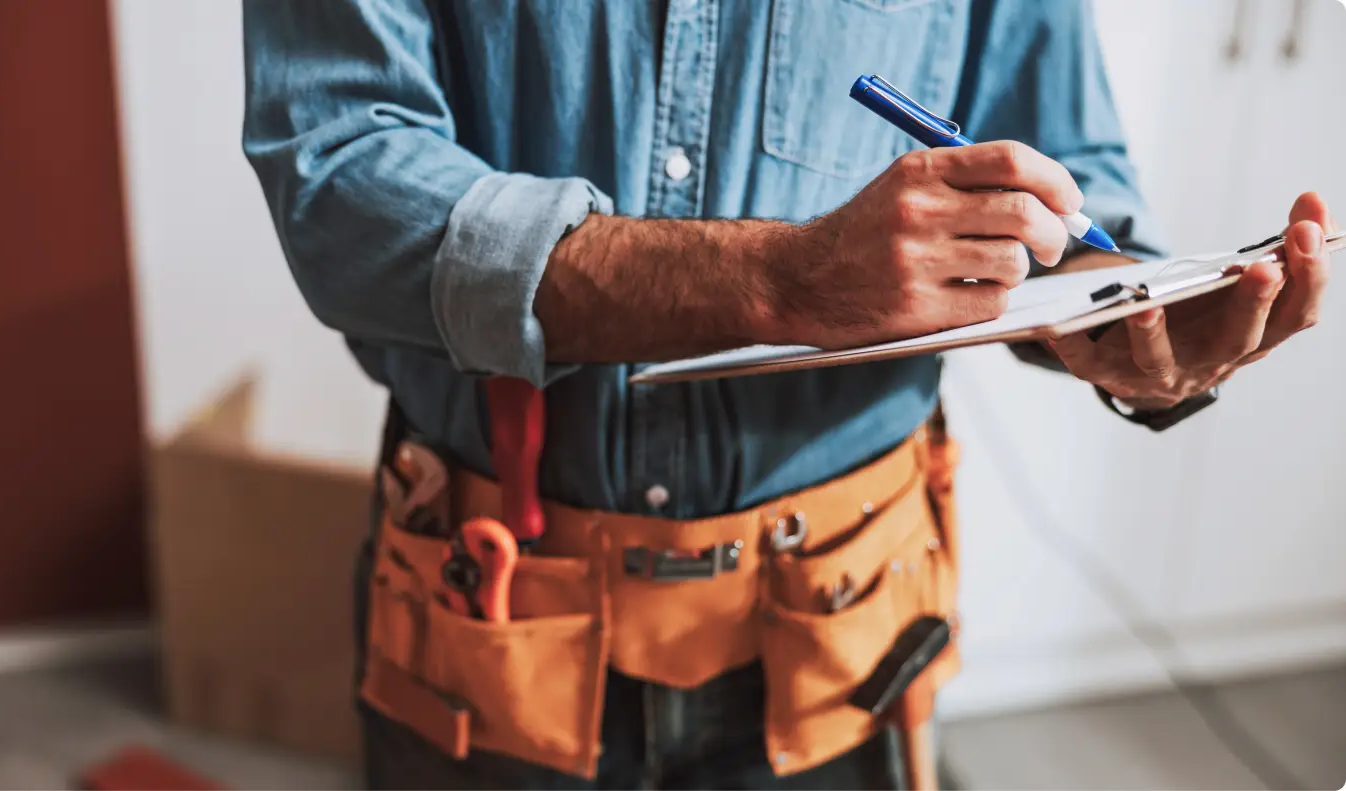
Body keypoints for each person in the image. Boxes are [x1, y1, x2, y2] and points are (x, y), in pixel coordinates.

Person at [240, 1, 1336, 788]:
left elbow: (1060, 194)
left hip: (840, 639)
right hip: (490, 621)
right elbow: (337, 181)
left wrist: (1118, 315)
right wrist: (777, 279)